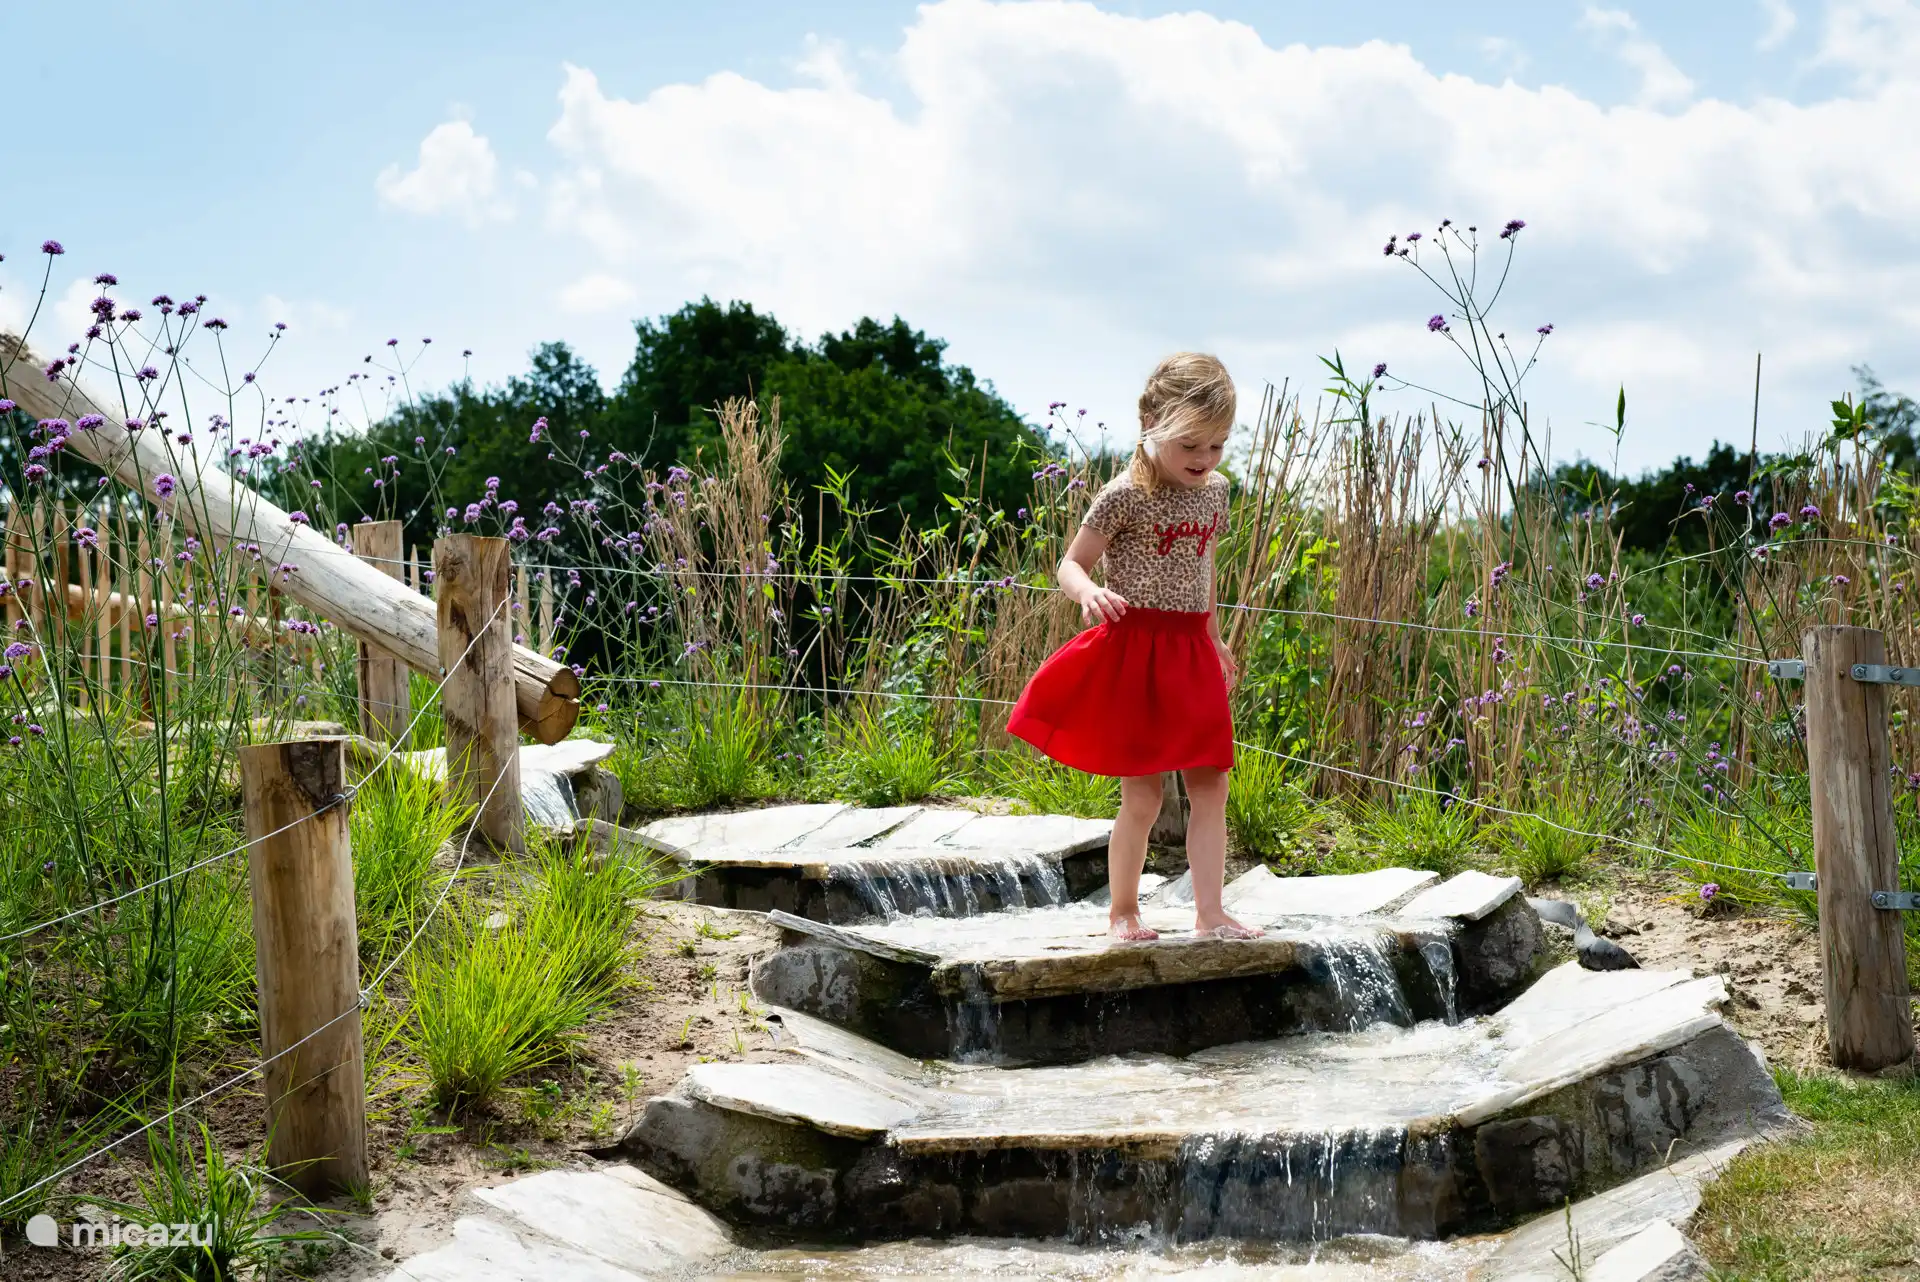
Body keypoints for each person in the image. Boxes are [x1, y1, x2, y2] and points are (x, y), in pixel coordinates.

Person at [1007, 353, 1260, 942]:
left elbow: (1205, 569)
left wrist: (1215, 637)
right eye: (1190, 445)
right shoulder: (1122, 495)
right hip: (1136, 651)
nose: (1204, 460)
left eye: (1217, 445)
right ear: (1151, 422)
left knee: (1210, 784)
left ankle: (1210, 912)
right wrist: (1089, 592)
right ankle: (1123, 911)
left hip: (1191, 649)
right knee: (1143, 795)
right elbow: (1071, 563)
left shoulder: (1215, 493)